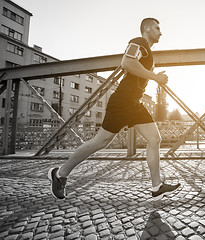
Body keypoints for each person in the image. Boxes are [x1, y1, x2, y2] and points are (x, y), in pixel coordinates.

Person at [48, 18, 180, 200]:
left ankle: (157, 186)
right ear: (147, 28)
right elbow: (127, 63)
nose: (160, 32)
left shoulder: (148, 51)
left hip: (135, 103)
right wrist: (154, 77)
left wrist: (153, 77)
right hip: (122, 101)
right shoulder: (138, 42)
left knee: (154, 138)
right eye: (157, 28)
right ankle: (60, 174)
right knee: (100, 142)